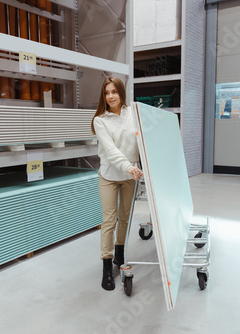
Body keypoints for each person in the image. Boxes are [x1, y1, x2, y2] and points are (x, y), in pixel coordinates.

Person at [91, 76, 143, 291]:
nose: (111, 96)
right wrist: (128, 166)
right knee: (109, 221)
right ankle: (106, 266)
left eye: (114, 91)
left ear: (121, 93)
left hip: (131, 176)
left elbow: (142, 141)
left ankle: (119, 255)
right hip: (110, 175)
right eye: (106, 93)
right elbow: (111, 151)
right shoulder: (100, 120)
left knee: (125, 218)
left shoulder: (134, 114)